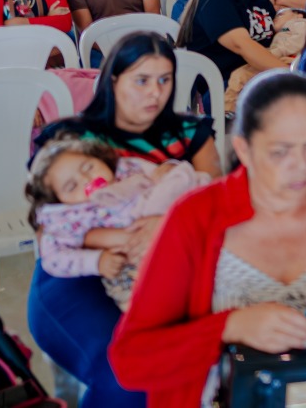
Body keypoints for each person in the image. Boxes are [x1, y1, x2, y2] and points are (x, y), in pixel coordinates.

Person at [109, 72, 306, 408]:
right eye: (280, 151)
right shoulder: (195, 218)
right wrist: (229, 327)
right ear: (244, 148)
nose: (300, 166)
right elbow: (132, 361)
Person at [29, 33, 221, 408]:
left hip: (169, 271)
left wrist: (165, 227)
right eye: (142, 80)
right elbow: (46, 229)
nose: (155, 93)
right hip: (79, 271)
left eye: (164, 80)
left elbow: (217, 205)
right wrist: (116, 238)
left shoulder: (190, 133)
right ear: (113, 80)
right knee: (128, 376)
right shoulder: (72, 138)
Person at [26, 139, 211, 308]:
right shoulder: (69, 218)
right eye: (72, 186)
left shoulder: (128, 170)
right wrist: (97, 261)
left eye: (89, 167)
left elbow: (162, 175)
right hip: (132, 271)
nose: (87, 179)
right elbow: (53, 258)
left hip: (175, 239)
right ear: (58, 200)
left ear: (99, 158)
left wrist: (169, 169)